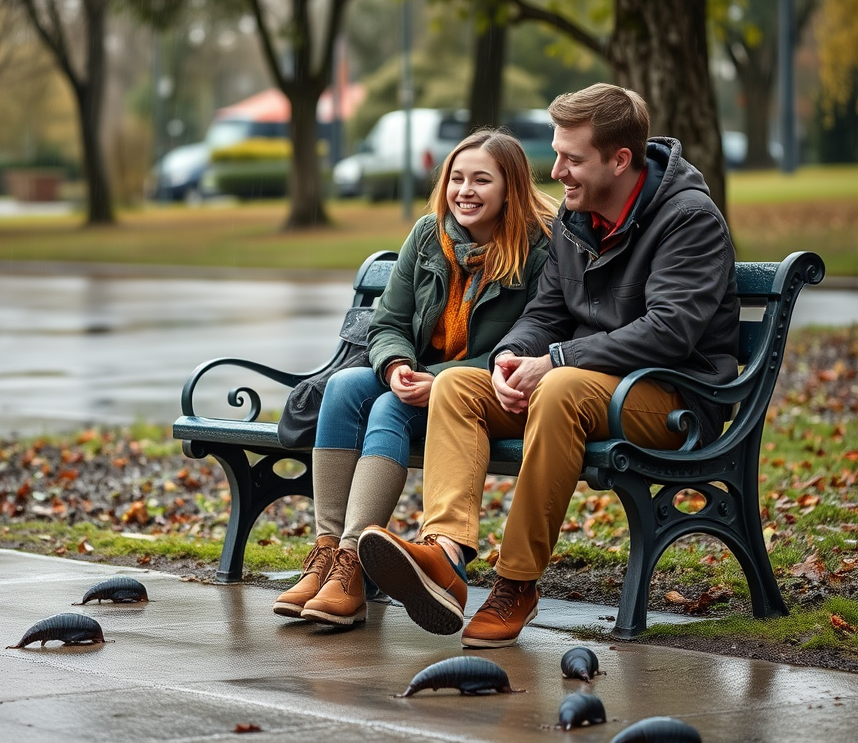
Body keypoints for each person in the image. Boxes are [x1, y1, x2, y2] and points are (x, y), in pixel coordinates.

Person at [357, 83, 740, 647]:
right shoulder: (575, 219)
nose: (556, 170)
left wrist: (557, 360)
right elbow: (546, 313)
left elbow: (670, 331)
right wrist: (514, 355)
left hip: (674, 395)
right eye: (558, 153)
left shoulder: (687, 219)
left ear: (620, 160)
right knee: (461, 384)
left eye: (572, 158)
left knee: (559, 388)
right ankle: (446, 555)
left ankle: (516, 583)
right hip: (582, 383)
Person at [273, 129, 558, 626]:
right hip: (418, 381)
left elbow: (524, 343)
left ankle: (353, 569)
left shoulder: (538, 250)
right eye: (457, 179)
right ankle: (329, 555)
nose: (464, 191)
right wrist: (396, 365)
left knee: (387, 406)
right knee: (343, 387)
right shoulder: (430, 236)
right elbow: (388, 323)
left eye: (481, 181)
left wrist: (440, 378)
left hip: (482, 396)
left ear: (510, 188)